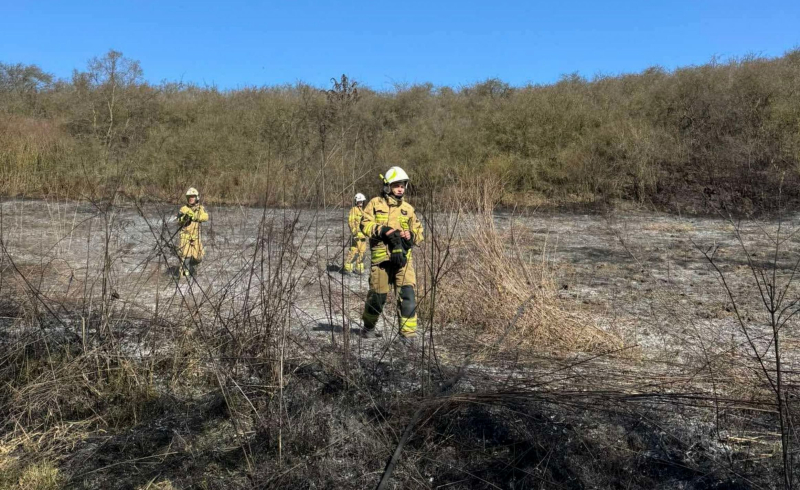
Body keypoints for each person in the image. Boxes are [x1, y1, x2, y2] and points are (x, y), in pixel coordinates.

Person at [360, 166, 424, 343]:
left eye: (402, 185)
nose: (400, 189)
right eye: (396, 185)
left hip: (403, 259)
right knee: (377, 296)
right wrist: (383, 231)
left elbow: (419, 233)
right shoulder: (374, 204)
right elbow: (364, 225)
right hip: (381, 260)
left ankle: (408, 335)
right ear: (387, 186)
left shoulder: (408, 209)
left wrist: (410, 236)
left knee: (407, 294)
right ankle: (368, 328)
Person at [177, 187, 208, 277]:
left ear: (197, 198)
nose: (191, 198)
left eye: (193, 196)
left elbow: (205, 217)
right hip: (185, 236)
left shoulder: (201, 208)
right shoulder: (183, 209)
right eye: (189, 197)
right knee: (186, 256)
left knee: (199, 257)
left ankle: (191, 267)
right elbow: (178, 220)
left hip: (196, 237)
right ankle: (184, 275)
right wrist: (184, 218)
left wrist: (194, 217)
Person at [343, 193, 368, 275]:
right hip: (356, 235)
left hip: (363, 235)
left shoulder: (363, 211)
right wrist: (354, 234)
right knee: (354, 251)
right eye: (359, 201)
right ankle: (347, 268)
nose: (360, 203)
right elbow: (351, 222)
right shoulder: (353, 210)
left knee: (362, 252)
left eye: (362, 201)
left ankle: (359, 268)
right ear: (356, 201)